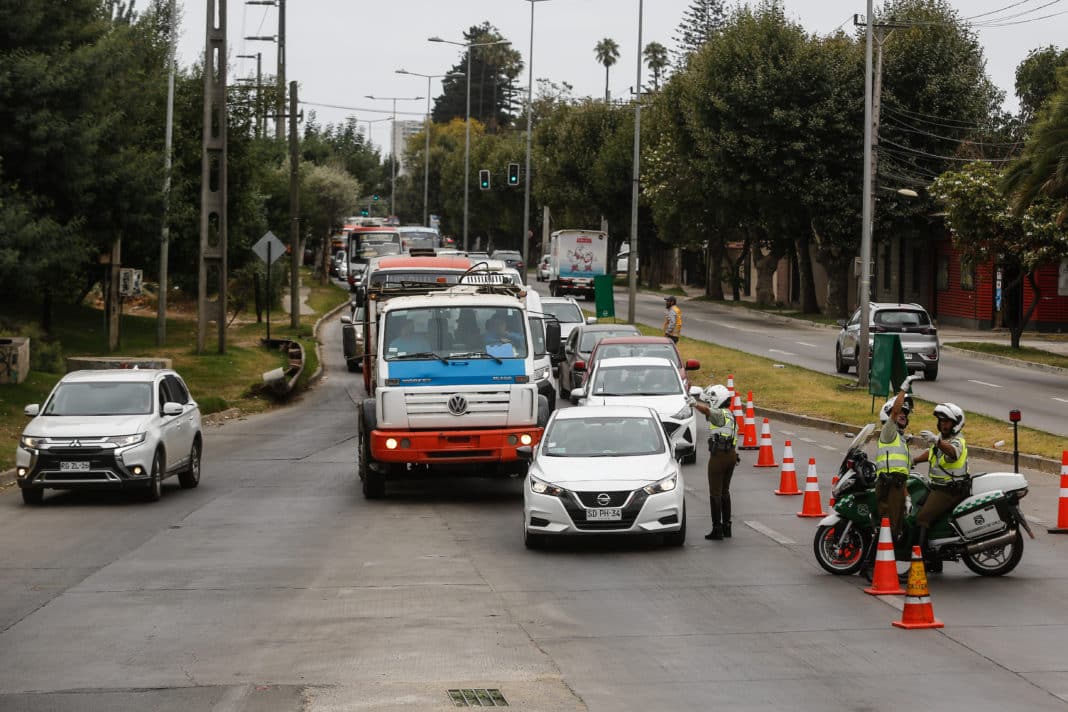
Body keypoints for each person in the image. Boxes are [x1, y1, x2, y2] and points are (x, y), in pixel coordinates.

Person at [860, 378, 915, 581]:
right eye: (901, 412)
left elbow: (904, 472)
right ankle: (869, 566)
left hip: (898, 487)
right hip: (888, 485)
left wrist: (907, 497)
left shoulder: (901, 440)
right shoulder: (888, 431)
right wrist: (903, 389)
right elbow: (894, 411)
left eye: (905, 414)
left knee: (895, 529)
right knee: (888, 528)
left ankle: (882, 566)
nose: (902, 415)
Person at [911, 402, 969, 574]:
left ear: (955, 423)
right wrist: (913, 460)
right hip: (938, 486)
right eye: (941, 421)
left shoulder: (957, 441)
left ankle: (919, 565)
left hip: (950, 490)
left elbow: (952, 452)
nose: (943, 424)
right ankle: (934, 561)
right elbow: (932, 453)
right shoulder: (943, 439)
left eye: (947, 422)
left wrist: (937, 441)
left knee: (921, 518)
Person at [692, 384, 737, 540]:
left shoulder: (718, 414)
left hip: (719, 457)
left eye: (711, 400)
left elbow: (707, 411)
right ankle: (727, 526)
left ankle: (716, 529)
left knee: (715, 493)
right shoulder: (730, 414)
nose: (710, 403)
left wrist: (694, 404)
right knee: (725, 492)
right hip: (731, 455)